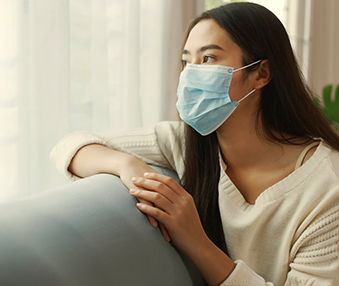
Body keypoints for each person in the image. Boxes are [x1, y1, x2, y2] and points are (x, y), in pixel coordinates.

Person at [51, 2, 339, 285]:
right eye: (186, 61)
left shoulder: (328, 187)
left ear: (260, 73)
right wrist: (127, 164)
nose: (190, 74)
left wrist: (196, 241)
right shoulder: (185, 143)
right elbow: (71, 146)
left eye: (209, 58)